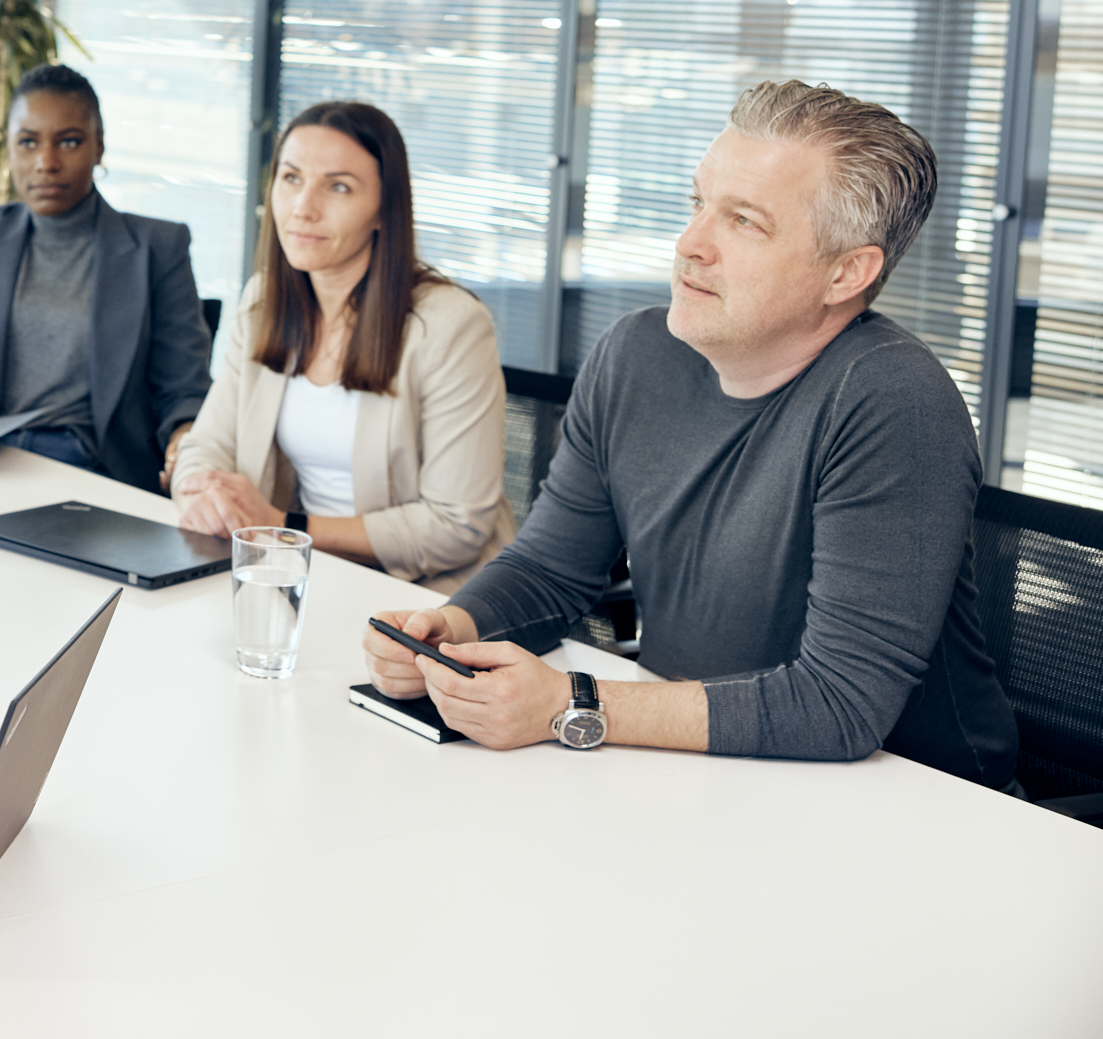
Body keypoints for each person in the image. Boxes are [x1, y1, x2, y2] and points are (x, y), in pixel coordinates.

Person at [363, 81, 1020, 788]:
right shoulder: (635, 355)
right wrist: (454, 630)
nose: (688, 245)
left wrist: (571, 704)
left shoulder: (893, 400)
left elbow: (837, 706)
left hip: (915, 807)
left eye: (744, 222)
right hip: (700, 767)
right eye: (697, 203)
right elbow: (549, 571)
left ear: (845, 272)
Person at [171, 100, 511, 592]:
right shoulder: (264, 300)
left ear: (383, 210)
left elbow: (456, 526)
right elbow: (207, 444)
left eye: (338, 186)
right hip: (301, 576)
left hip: (427, 596)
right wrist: (198, 492)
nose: (303, 207)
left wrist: (280, 524)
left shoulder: (450, 326)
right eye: (291, 178)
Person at [0, 63, 212, 494]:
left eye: (69, 142)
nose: (46, 163)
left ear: (99, 147)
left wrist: (186, 439)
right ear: (10, 150)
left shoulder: (156, 248)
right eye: (28, 143)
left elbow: (184, 386)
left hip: (91, 468)